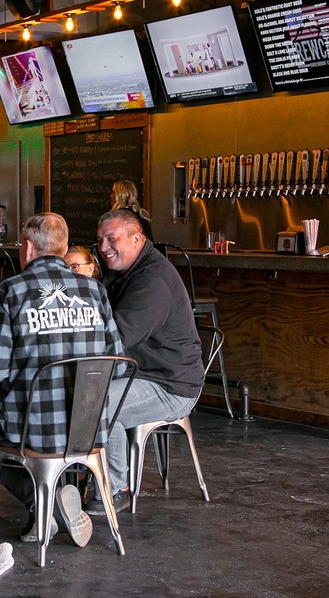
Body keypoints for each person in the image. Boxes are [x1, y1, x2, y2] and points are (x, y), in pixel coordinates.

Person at [0, 212, 124, 548]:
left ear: (27, 248)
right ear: (65, 247)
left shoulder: (11, 290)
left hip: (34, 430)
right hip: (89, 429)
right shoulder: (96, 291)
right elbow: (119, 364)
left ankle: (45, 504)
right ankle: (51, 504)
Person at [92, 208, 202, 516]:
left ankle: (115, 488)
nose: (103, 248)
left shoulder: (151, 280)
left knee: (97, 402)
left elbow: (115, 337)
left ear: (138, 238)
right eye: (99, 240)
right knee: (81, 391)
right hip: (142, 372)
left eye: (112, 239)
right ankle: (83, 476)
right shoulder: (126, 272)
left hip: (171, 385)